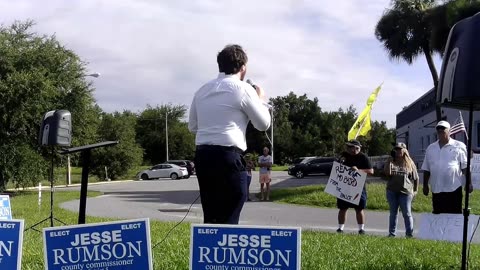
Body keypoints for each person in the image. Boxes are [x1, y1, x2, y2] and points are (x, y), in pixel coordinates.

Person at [188, 44, 271, 224]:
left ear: (219, 65)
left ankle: (208, 247)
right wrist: (260, 99)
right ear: (243, 68)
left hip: (203, 156)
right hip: (228, 156)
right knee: (230, 214)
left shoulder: (201, 90)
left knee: (211, 214)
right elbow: (263, 124)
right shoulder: (243, 89)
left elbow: (192, 126)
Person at [421, 120, 472, 214]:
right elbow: (427, 168)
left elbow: (465, 167)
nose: (440, 131)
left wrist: (469, 183)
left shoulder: (459, 146)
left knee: (454, 216)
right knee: (438, 216)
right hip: (437, 189)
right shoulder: (431, 148)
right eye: (438, 129)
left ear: (449, 131)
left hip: (454, 188)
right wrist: (425, 186)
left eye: (443, 129)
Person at [336, 139, 374, 234]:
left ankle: (361, 229)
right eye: (352, 148)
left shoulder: (363, 157)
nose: (354, 150)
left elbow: (371, 171)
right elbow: (336, 167)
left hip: (358, 187)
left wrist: (358, 170)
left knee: (359, 208)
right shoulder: (343, 156)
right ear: (348, 148)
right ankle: (340, 228)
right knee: (342, 208)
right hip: (344, 186)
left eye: (357, 148)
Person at [383, 142, 419, 237]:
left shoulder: (409, 162)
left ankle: (409, 234)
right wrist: (389, 162)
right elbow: (387, 174)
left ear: (405, 150)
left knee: (407, 213)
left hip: (406, 192)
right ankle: (392, 233)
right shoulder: (391, 161)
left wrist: (415, 190)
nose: (398, 151)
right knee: (393, 213)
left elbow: (416, 178)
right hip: (392, 190)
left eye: (400, 149)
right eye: (397, 149)